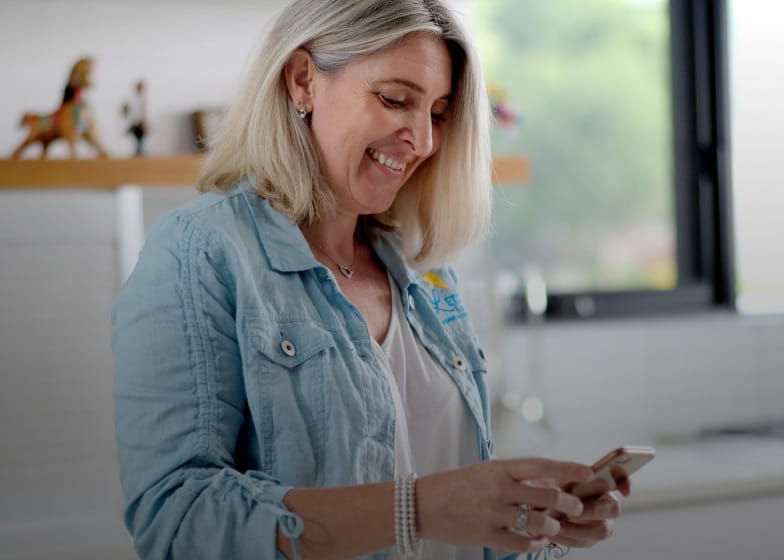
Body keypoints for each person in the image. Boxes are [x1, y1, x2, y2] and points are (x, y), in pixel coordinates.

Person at [112, 1, 629, 559]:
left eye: (438, 113)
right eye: (395, 100)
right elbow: (176, 518)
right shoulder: (199, 254)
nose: (424, 141)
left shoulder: (425, 271)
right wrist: (420, 508)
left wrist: (530, 519)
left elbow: (447, 485)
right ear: (304, 80)